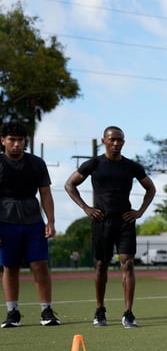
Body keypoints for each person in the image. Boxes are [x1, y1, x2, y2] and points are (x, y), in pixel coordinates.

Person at [64, 126, 156, 328]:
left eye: (120, 140)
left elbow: (150, 187)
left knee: (128, 263)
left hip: (125, 221)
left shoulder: (131, 166)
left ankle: (129, 313)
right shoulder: (94, 164)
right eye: (112, 140)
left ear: (123, 142)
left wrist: (139, 211)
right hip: (101, 221)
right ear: (103, 140)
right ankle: (100, 309)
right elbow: (70, 184)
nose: (116, 144)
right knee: (101, 265)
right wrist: (86, 208)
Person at [0, 121, 60, 328]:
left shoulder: (36, 163)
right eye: (12, 140)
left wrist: (50, 221)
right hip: (5, 222)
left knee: (39, 264)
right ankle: (12, 312)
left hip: (34, 222)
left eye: (20, 140)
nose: (16, 144)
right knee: (10, 267)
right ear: (3, 141)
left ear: (25, 142)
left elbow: (45, 193)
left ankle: (46, 310)